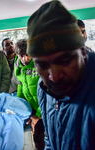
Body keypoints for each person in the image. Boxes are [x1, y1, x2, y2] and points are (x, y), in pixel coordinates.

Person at [26, 1, 95, 149]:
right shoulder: (43, 88)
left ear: (82, 52)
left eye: (64, 60)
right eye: (43, 65)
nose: (54, 76)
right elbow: (51, 139)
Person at [14, 39, 44, 150]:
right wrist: (18, 106)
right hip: (33, 110)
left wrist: (39, 114)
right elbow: (21, 87)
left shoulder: (40, 63)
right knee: (37, 140)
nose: (25, 59)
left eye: (28, 55)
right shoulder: (18, 66)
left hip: (45, 110)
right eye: (21, 55)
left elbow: (49, 94)